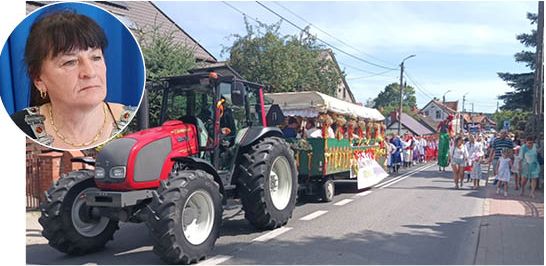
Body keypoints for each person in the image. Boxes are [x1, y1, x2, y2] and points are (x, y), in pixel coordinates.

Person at [10, 10, 135, 149]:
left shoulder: (136, 122)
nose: (90, 72)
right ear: (38, 79)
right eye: (70, 62)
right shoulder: (17, 127)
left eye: (96, 58)